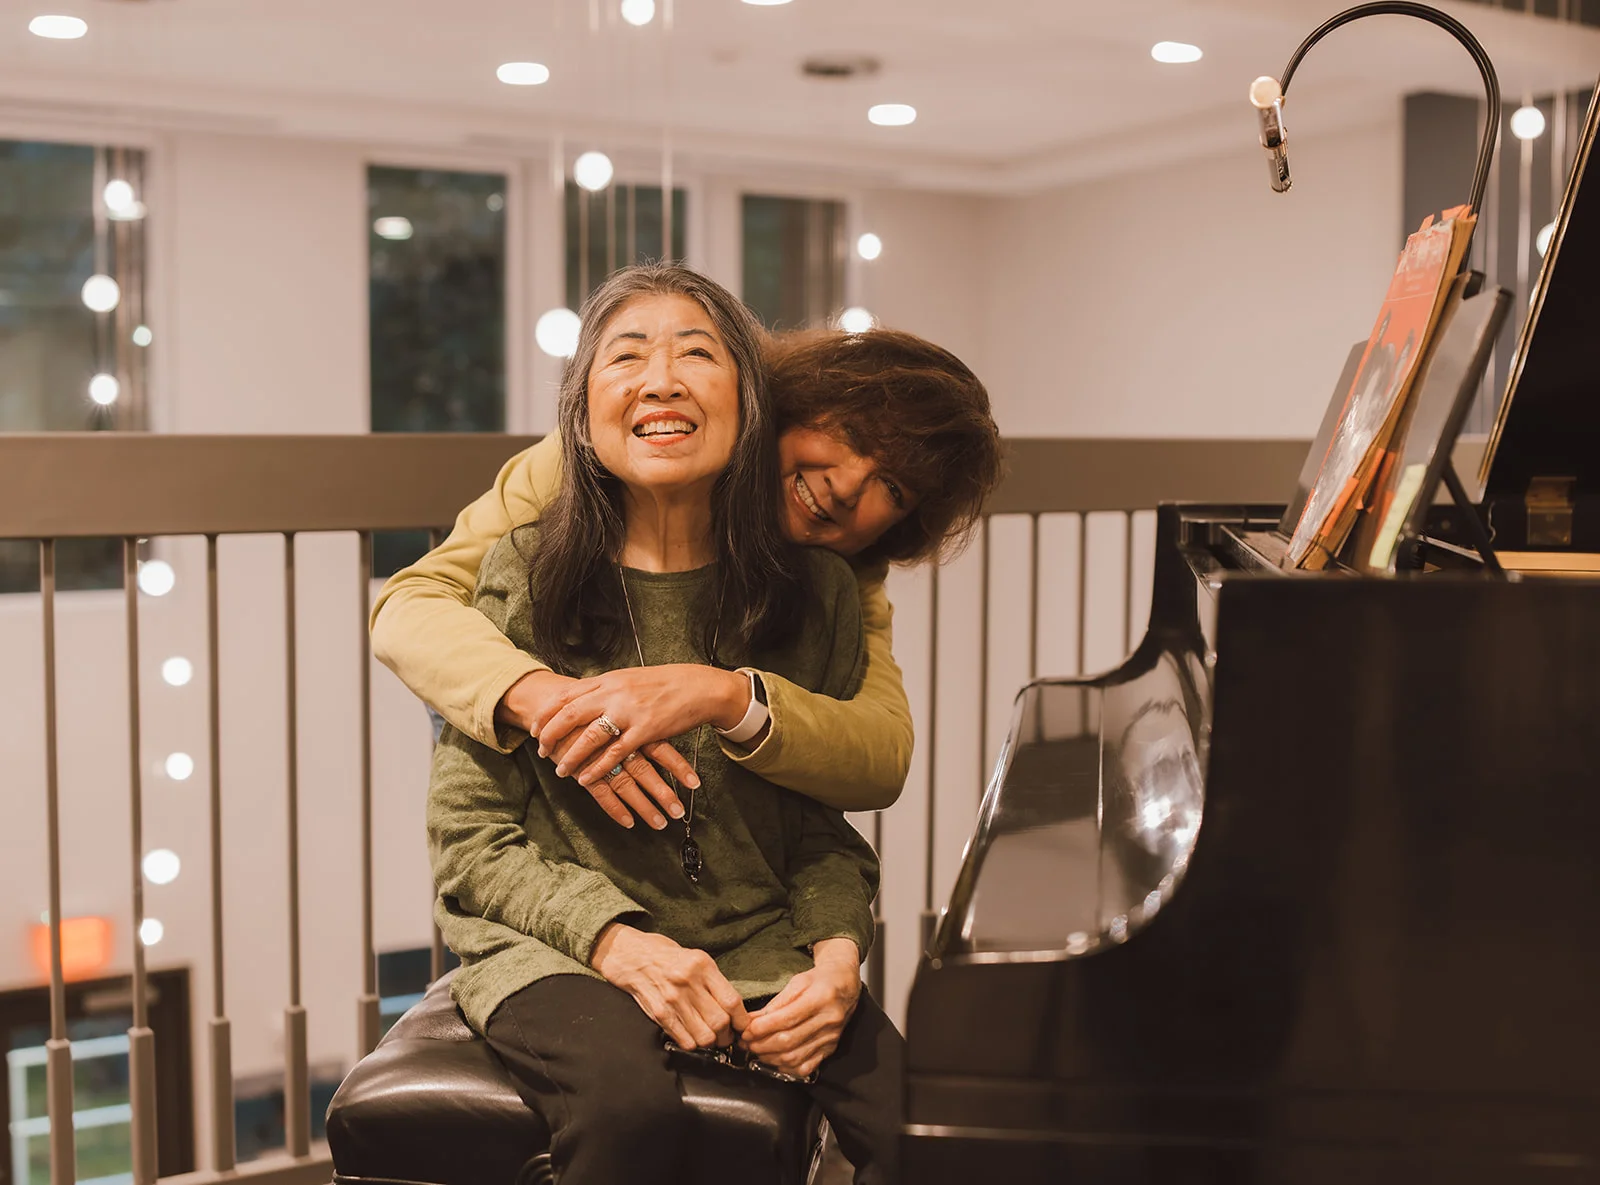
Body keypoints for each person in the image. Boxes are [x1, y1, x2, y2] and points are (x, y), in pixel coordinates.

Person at [428, 263, 900, 1182]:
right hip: (556, 945)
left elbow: (822, 833)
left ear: (747, 402)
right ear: (584, 410)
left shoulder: (818, 593)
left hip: (760, 937)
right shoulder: (524, 571)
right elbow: (470, 841)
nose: (660, 380)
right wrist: (623, 942)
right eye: (626, 356)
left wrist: (840, 959)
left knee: (925, 1131)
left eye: (697, 353)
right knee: (627, 1112)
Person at [372, 319, 1001, 831]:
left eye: (891, 485)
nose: (847, 484)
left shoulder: (845, 571)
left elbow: (881, 756)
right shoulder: (600, 455)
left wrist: (725, 695)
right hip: (521, 725)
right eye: (851, 435)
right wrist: (551, 703)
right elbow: (413, 604)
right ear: (797, 403)